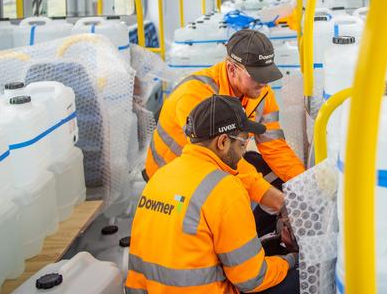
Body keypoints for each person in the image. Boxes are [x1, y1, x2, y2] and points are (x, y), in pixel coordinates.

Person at [126, 95, 299, 294]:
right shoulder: (226, 190)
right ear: (223, 142)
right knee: (299, 278)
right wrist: (290, 260)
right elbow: (252, 279)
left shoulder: (161, 176)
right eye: (243, 143)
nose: (244, 152)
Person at [145, 29, 306, 220]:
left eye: (267, 74)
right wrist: (281, 203)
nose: (264, 82)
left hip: (211, 166)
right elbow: (223, 160)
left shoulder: (261, 93)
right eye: (256, 75)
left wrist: (304, 186)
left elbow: (275, 146)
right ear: (231, 69)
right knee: (232, 199)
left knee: (260, 166)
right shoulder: (196, 95)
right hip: (171, 179)